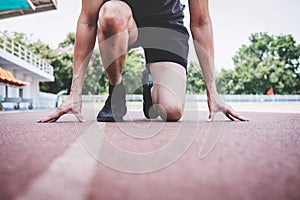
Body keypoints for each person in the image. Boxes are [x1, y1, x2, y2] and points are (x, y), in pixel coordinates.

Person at [37, 0, 249, 123]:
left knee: (171, 110)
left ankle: (150, 86)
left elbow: (201, 22)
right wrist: (75, 93)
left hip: (165, 25)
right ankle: (116, 89)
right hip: (123, 17)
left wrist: (213, 92)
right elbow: (87, 20)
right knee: (111, 14)